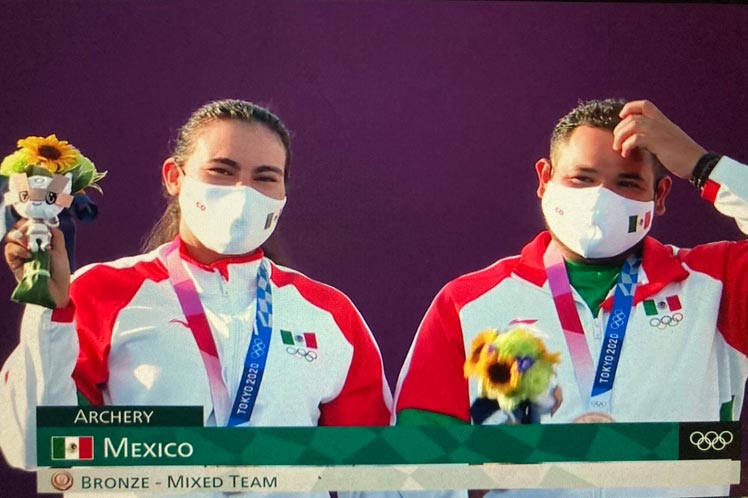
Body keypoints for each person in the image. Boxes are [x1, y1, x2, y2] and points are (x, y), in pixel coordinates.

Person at [0, 99, 393, 497]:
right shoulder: (100, 292)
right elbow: (37, 445)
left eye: (265, 177)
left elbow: (374, 476)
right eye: (222, 170)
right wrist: (47, 311)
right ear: (175, 177)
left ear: (283, 194)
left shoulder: (328, 314)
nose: (243, 192)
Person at [394, 99, 747, 497]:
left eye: (627, 183)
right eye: (582, 178)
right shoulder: (468, 304)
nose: (600, 200)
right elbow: (413, 471)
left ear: (660, 194)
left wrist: (702, 166)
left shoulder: (718, 285)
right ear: (545, 178)